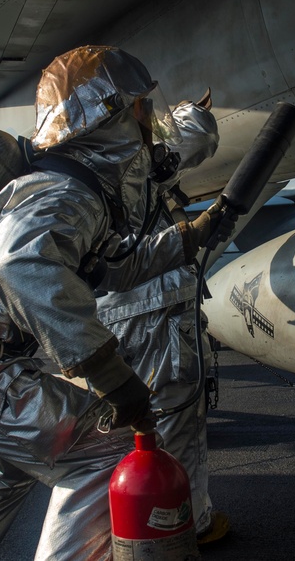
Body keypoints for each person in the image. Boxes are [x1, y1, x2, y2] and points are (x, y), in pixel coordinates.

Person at [0, 46, 227, 560]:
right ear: (115, 111)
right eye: (142, 106)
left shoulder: (77, 190)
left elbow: (113, 269)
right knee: (105, 450)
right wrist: (109, 374)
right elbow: (16, 264)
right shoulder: (64, 192)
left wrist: (189, 237)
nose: (150, 119)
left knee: (15, 458)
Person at [95, 94, 230, 544]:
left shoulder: (79, 166)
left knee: (126, 428)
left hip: (110, 315)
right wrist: (189, 109)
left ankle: (126, 527)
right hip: (160, 306)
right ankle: (191, 524)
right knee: (176, 419)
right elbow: (200, 136)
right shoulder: (134, 150)